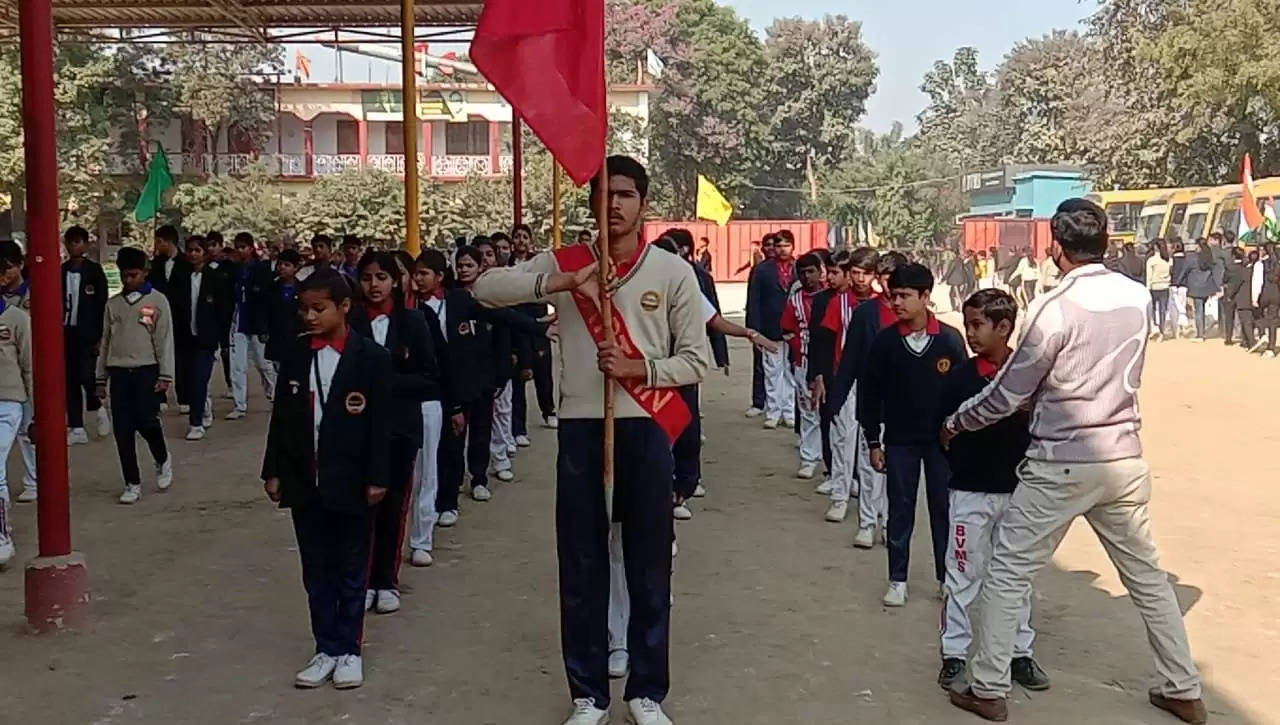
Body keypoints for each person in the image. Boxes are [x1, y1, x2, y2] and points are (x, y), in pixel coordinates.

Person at [943, 199, 1205, 725]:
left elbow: (1008, 393)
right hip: (1123, 457)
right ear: (1106, 242)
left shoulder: (1053, 306)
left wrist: (957, 421)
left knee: (1008, 572)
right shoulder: (1134, 297)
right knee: (1149, 580)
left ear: (1055, 248)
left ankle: (989, 686)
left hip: (1060, 461)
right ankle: (1183, 687)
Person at [472, 155, 708, 725]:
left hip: (646, 427)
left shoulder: (672, 272)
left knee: (650, 564)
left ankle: (647, 691)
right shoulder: (569, 262)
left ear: (643, 203)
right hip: (582, 427)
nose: (616, 206)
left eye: (626, 195)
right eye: (605, 197)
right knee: (580, 562)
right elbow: (484, 288)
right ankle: (588, 694)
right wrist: (559, 282)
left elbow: (696, 360)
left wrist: (639, 369)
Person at [261, 268, 392, 691]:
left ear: (344, 307)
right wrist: (274, 469)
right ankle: (325, 647)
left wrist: (378, 476)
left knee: (352, 567)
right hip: (304, 479)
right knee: (315, 569)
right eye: (304, 309)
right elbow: (281, 418)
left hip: (352, 480)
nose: (310, 317)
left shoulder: (371, 358)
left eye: (319, 309)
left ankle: (350, 649)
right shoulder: (297, 354)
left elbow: (381, 427)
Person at [937, 288, 1050, 693]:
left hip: (1021, 492)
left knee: (1017, 577)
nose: (970, 333)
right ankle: (954, 654)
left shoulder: (1031, 376)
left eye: (978, 325)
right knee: (963, 574)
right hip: (970, 492)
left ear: (1004, 328)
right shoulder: (961, 379)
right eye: (968, 324)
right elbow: (944, 432)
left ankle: (1019, 653)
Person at [858, 262, 967, 607]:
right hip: (900, 440)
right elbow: (870, 394)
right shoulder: (886, 343)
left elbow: (964, 395)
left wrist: (960, 437)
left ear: (925, 296)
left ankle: (945, 578)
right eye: (893, 296)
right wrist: (873, 440)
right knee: (900, 509)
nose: (897, 303)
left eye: (905, 296)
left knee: (943, 510)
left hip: (941, 443)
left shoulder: (949, 340)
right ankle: (897, 578)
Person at [348, 251, 437, 614]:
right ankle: (363, 579)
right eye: (367, 277)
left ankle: (386, 579)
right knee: (360, 508)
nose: (374, 285)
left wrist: (388, 383)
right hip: (357, 430)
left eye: (381, 277)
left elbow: (431, 378)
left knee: (393, 505)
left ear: (395, 281)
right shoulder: (349, 321)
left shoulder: (413, 322)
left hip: (400, 429)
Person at [814, 249, 899, 544]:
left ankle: (890, 523)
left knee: (895, 466)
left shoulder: (915, 317)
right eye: (885, 280)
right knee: (866, 456)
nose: (890, 289)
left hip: (900, 401)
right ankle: (866, 520)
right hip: (867, 393)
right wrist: (834, 392)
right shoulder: (864, 312)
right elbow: (845, 355)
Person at [95, 246, 175, 505]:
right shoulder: (113, 304)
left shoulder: (158, 301)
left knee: (146, 421)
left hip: (146, 369)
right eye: (125, 276)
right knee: (123, 430)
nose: (129, 280)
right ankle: (132, 481)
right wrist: (100, 377)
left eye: (134, 275)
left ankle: (162, 457)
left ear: (145, 272)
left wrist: (165, 375)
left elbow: (164, 341)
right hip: (119, 371)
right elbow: (105, 341)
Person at [808, 248, 881, 524]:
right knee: (842, 441)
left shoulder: (882, 304)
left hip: (875, 384)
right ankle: (839, 496)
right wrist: (821, 377)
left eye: (866, 274)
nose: (860, 279)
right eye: (856, 273)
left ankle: (871, 503)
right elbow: (824, 342)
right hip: (845, 380)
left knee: (869, 445)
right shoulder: (839, 303)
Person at [409, 249, 452, 562]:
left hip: (427, 402)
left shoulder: (426, 317)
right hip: (389, 408)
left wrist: (454, 406)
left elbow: (442, 365)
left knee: (427, 471)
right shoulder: (363, 319)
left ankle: (422, 538)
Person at [61, 226, 111, 448]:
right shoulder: (60, 271)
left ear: (86, 245)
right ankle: (77, 426)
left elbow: (102, 304)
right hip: (65, 331)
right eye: (70, 242)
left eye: (78, 242)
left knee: (85, 374)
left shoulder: (95, 271)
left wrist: (101, 335)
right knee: (69, 380)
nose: (74, 246)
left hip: (88, 332)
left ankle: (98, 405)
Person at [178, 236, 231, 441]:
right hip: (185, 337)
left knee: (200, 379)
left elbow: (223, 310)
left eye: (197, 250)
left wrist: (221, 338)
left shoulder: (215, 278)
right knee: (189, 379)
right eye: (190, 250)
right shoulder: (181, 277)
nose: (193, 254)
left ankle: (196, 423)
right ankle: (204, 409)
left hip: (206, 338)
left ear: (205, 253)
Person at [0, 242, 33, 565]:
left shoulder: (17, 318)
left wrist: (33, 406)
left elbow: (29, 364)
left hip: (9, 401)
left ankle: (2, 535)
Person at [781, 253, 826, 481]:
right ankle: (809, 458)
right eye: (803, 273)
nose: (808, 277)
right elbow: (787, 329)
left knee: (831, 416)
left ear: (821, 271)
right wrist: (796, 346)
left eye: (811, 271)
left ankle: (833, 466)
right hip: (803, 362)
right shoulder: (795, 300)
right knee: (808, 412)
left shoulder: (832, 297)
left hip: (829, 364)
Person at [746, 230, 796, 429]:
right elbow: (754, 301)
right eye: (778, 246)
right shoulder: (763, 270)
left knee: (791, 372)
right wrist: (754, 331)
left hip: (794, 329)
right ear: (773, 248)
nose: (782, 250)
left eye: (786, 245)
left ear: (793, 246)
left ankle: (790, 411)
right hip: (769, 328)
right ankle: (773, 411)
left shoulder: (800, 269)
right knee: (772, 371)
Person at [227, 232, 277, 419]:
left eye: (243, 247)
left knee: (264, 364)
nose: (240, 251)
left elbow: (267, 299)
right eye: (238, 247)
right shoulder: (235, 269)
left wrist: (266, 326)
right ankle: (239, 405)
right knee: (237, 366)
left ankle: (274, 396)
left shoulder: (262, 269)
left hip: (257, 323)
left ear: (250, 247)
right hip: (238, 322)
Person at [149, 225, 192, 410]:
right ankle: (160, 396)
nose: (157, 246)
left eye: (160, 242)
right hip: (158, 316)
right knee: (158, 354)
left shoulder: (186, 264)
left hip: (181, 317)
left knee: (182, 359)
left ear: (169, 242)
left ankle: (184, 397)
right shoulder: (154, 265)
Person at [265, 249, 304, 371]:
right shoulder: (271, 289)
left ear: (296, 267)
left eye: (287, 265)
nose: (282, 267)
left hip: (297, 339)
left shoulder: (303, 290)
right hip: (277, 339)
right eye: (280, 264)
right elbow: (266, 312)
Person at [1185, 245, 1220, 342]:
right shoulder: (1210, 260)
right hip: (1206, 288)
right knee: (1202, 310)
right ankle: (1202, 332)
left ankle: (1200, 334)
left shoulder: (1193, 260)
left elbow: (1186, 270)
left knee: (1198, 311)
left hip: (1196, 288)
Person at [1251, 243, 1280, 357]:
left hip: (1264, 293)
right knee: (1273, 320)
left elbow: (1257, 282)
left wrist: (1254, 298)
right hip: (1276, 294)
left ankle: (1262, 333)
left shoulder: (1260, 264)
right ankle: (1271, 348)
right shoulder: (1277, 264)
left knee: (1257, 314)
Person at [1221, 247, 1252, 348]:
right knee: (1243, 318)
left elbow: (1224, 279)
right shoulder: (1245, 267)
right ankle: (1244, 339)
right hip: (1242, 294)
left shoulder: (1230, 267)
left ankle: (1228, 338)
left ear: (1233, 255)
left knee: (1229, 317)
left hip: (1230, 293)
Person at [1146, 241, 1173, 340]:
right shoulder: (1168, 260)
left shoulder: (1151, 260)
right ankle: (1162, 331)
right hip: (1165, 286)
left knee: (1152, 310)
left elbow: (1149, 276)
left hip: (1154, 287)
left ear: (1155, 247)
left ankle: (1154, 328)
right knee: (1163, 311)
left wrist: (1147, 288)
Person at [1169, 240, 1191, 337]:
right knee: (1182, 305)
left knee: (1175, 308)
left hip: (1173, 285)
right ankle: (1183, 327)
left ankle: (1176, 330)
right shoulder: (1187, 260)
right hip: (1184, 285)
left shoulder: (1171, 260)